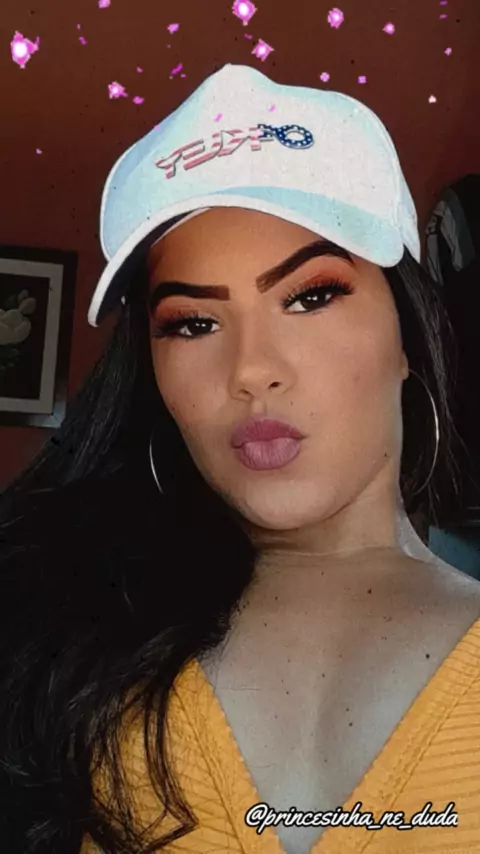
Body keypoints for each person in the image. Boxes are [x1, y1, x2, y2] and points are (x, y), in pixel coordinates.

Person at [1, 63, 479, 854]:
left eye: (310, 295)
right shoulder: (57, 646)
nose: (252, 369)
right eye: (192, 323)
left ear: (407, 333)